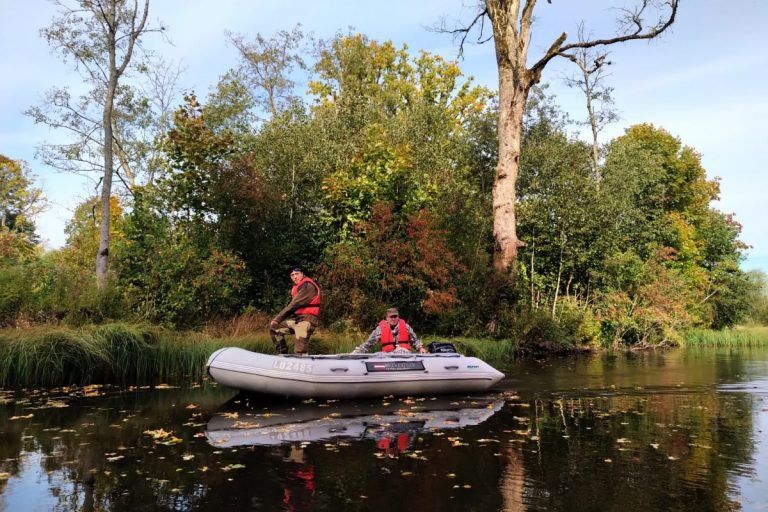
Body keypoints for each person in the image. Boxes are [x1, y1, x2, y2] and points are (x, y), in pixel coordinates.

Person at [270, 268, 320, 355]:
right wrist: (276, 322)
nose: (295, 277)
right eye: (292, 275)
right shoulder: (299, 286)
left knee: (299, 350)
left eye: (297, 274)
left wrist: (277, 319)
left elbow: (294, 305)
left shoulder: (307, 286)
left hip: (307, 320)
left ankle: (302, 359)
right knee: (274, 328)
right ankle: (282, 354)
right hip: (298, 320)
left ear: (302, 274)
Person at [352, 308, 427, 354]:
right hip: (388, 356)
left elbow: (415, 341)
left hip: (404, 355)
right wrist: (356, 352)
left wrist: (421, 348)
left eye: (395, 316)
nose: (393, 319)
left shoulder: (406, 327)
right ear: (387, 318)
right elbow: (368, 344)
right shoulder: (380, 329)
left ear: (398, 317)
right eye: (391, 317)